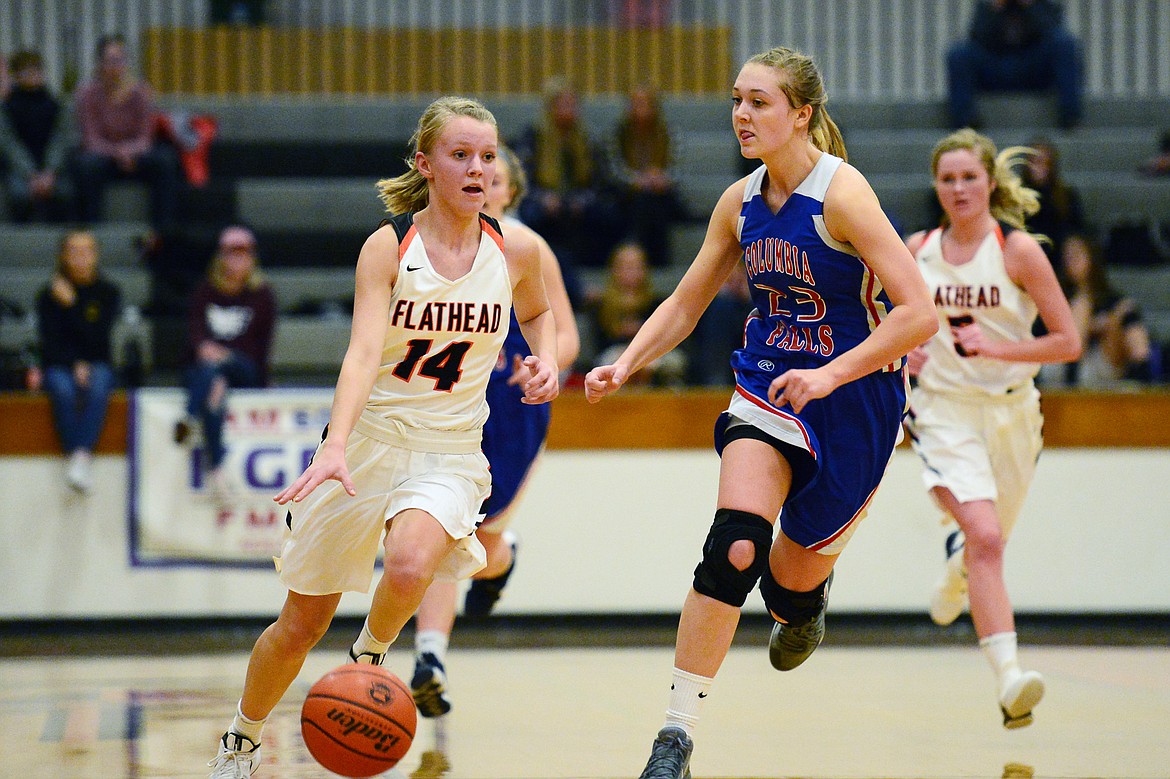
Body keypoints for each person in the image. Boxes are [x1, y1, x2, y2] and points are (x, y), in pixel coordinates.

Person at [585, 47, 937, 778]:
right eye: (737, 101)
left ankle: (803, 603)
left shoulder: (844, 196)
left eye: (760, 102)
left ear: (801, 113)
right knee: (734, 547)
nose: (742, 115)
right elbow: (687, 300)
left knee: (789, 580)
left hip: (854, 401)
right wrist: (627, 359)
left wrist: (832, 371)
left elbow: (919, 312)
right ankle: (675, 737)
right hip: (767, 389)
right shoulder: (739, 201)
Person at [206, 96, 559, 779]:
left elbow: (539, 310)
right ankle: (240, 742)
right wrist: (334, 444)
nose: (478, 168)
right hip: (371, 441)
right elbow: (364, 352)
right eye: (461, 154)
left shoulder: (515, 248)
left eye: (487, 156)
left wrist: (542, 357)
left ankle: (367, 658)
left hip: (452, 449)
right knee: (298, 626)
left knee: (407, 564)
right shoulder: (390, 245)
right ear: (425, 164)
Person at [904, 128, 1081, 731]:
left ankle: (956, 565)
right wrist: (899, 354)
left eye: (968, 177)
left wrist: (1000, 349)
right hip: (942, 410)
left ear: (989, 183)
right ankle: (1009, 680)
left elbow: (1068, 341)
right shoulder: (917, 249)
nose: (958, 188)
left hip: (1012, 413)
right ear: (936, 186)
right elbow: (876, 316)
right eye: (947, 179)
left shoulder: (1018, 251)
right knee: (987, 536)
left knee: (983, 542)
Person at [409, 143, 579, 719]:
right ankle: (429, 658)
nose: (483, 181)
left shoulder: (528, 249)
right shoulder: (431, 244)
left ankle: (504, 556)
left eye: (496, 176)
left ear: (510, 190)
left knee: (480, 542)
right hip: (450, 404)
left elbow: (565, 338)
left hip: (512, 407)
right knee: (440, 530)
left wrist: (545, 363)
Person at [173, 225, 275, 504]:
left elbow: (260, 349)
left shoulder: (263, 295)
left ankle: (190, 416)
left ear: (252, 258)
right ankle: (217, 469)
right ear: (220, 257)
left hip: (244, 368)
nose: (237, 261)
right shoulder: (204, 292)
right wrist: (209, 353)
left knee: (214, 371)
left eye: (243, 255)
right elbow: (194, 338)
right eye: (231, 254)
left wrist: (222, 354)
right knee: (214, 384)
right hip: (205, 370)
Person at [32, 229, 121, 492]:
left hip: (98, 363)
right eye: (74, 251)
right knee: (62, 388)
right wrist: (74, 364)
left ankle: (79, 456)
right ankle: (79, 455)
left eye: (87, 251)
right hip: (59, 364)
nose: (81, 257)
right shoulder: (47, 295)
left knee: (99, 383)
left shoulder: (108, 292)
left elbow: (98, 338)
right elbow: (49, 342)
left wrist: (72, 305)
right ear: (63, 256)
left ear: (96, 255)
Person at [72, 34, 181, 228]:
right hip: (104, 157)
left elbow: (145, 137)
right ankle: (92, 230)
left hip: (136, 155)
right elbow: (91, 139)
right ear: (99, 64)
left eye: (120, 60)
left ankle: (163, 231)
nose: (115, 65)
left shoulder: (140, 92)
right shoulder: (87, 94)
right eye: (110, 60)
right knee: (85, 164)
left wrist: (128, 151)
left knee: (165, 160)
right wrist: (117, 153)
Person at [516, 76, 624, 268]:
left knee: (608, 215)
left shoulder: (588, 140)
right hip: (544, 204)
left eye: (572, 104)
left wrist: (581, 200)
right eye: (562, 104)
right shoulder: (533, 138)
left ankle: (597, 266)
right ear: (550, 107)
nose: (568, 110)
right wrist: (544, 198)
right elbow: (522, 180)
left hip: (578, 205)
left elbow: (600, 183)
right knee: (532, 215)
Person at [946, 0, 1082, 130]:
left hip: (1032, 70)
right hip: (997, 69)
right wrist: (996, 7)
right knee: (958, 54)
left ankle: (1070, 117)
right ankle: (965, 123)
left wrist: (1030, 5)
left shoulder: (1045, 5)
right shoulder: (987, 6)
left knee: (1065, 43)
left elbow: (1050, 32)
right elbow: (977, 38)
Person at [1055, 232, 1154, 386]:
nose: (1071, 261)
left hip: (1104, 362)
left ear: (1092, 257)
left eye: (1076, 255)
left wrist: (1111, 322)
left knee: (1126, 310)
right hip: (1065, 364)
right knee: (1083, 304)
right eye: (1067, 256)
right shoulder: (1059, 294)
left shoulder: (1108, 298)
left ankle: (1143, 373)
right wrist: (1094, 326)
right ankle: (1072, 381)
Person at [612, 84, 688, 267]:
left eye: (645, 103)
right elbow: (613, 170)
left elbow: (677, 170)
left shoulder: (669, 132)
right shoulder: (617, 134)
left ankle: (650, 260)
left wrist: (662, 178)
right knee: (644, 201)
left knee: (653, 200)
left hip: (661, 193)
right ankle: (649, 260)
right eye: (636, 104)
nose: (641, 109)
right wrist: (637, 180)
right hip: (627, 195)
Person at [0, 50, 75, 222]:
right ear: (16, 75)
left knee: (66, 192)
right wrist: (31, 174)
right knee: (19, 195)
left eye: (37, 69)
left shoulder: (57, 104)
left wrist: (50, 172)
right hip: (21, 170)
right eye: (26, 71)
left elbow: (61, 140)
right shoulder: (6, 108)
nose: (33, 75)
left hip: (52, 170)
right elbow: (9, 144)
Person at [1020, 137, 1085, 267]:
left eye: (1044, 161)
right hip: (1024, 261)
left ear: (1052, 165)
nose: (1038, 167)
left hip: (1058, 263)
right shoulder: (1015, 197)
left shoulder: (1065, 196)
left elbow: (1075, 232)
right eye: (1034, 161)